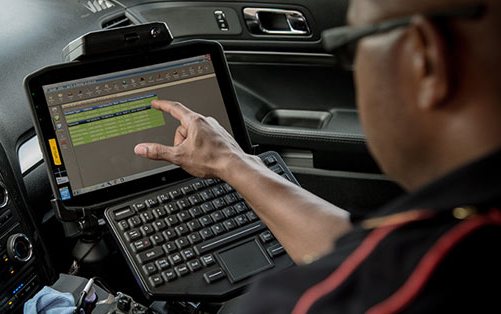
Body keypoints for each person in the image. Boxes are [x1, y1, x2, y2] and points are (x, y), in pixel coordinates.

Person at [134, 0, 501, 312]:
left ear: (425, 58)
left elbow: (368, 273)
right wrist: (230, 162)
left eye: (351, 46)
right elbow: (367, 252)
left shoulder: (322, 300)